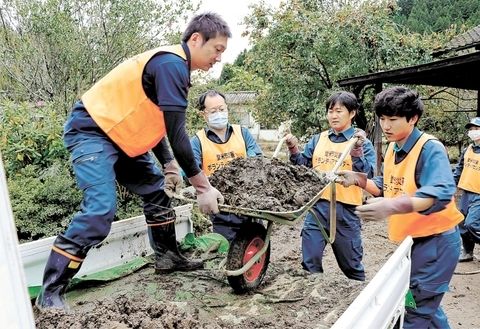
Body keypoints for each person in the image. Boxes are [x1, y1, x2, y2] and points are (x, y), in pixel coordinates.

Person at [35, 12, 231, 311]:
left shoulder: (176, 68)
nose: (219, 57)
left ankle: (167, 256)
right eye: (217, 49)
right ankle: (50, 292)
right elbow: (178, 132)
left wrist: (168, 165)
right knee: (100, 209)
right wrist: (202, 186)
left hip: (124, 137)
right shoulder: (171, 64)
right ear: (195, 39)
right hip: (93, 130)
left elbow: (158, 124)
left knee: (156, 192)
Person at [337, 86, 463, 328]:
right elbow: (386, 185)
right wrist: (359, 179)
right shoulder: (395, 147)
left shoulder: (430, 148)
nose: (386, 126)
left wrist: (392, 207)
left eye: (393, 119)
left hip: (435, 244)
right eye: (382, 119)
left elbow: (441, 193)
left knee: (413, 310)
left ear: (413, 118)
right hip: (412, 244)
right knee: (421, 304)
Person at [285, 91, 376, 281]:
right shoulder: (319, 139)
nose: (333, 115)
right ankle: (313, 299)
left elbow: (369, 175)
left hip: (347, 211)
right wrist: (294, 149)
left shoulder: (361, 142)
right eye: (330, 111)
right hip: (318, 208)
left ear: (352, 113)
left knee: (351, 267)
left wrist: (357, 151)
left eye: (339, 111)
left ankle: (360, 300)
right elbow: (302, 166)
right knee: (310, 262)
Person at [190, 90, 263, 242]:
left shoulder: (242, 133)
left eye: (222, 109)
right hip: (221, 208)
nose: (219, 114)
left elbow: (256, 158)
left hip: (249, 204)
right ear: (203, 114)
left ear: (227, 109)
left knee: (256, 245)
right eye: (213, 111)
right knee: (227, 250)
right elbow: (190, 169)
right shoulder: (197, 141)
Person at [453, 117, 480, 262]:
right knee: (461, 223)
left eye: (476, 129)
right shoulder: (467, 150)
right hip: (466, 192)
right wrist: (450, 185)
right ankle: (468, 252)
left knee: (471, 224)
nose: (473, 132)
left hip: (479, 194)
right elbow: (459, 169)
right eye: (471, 129)